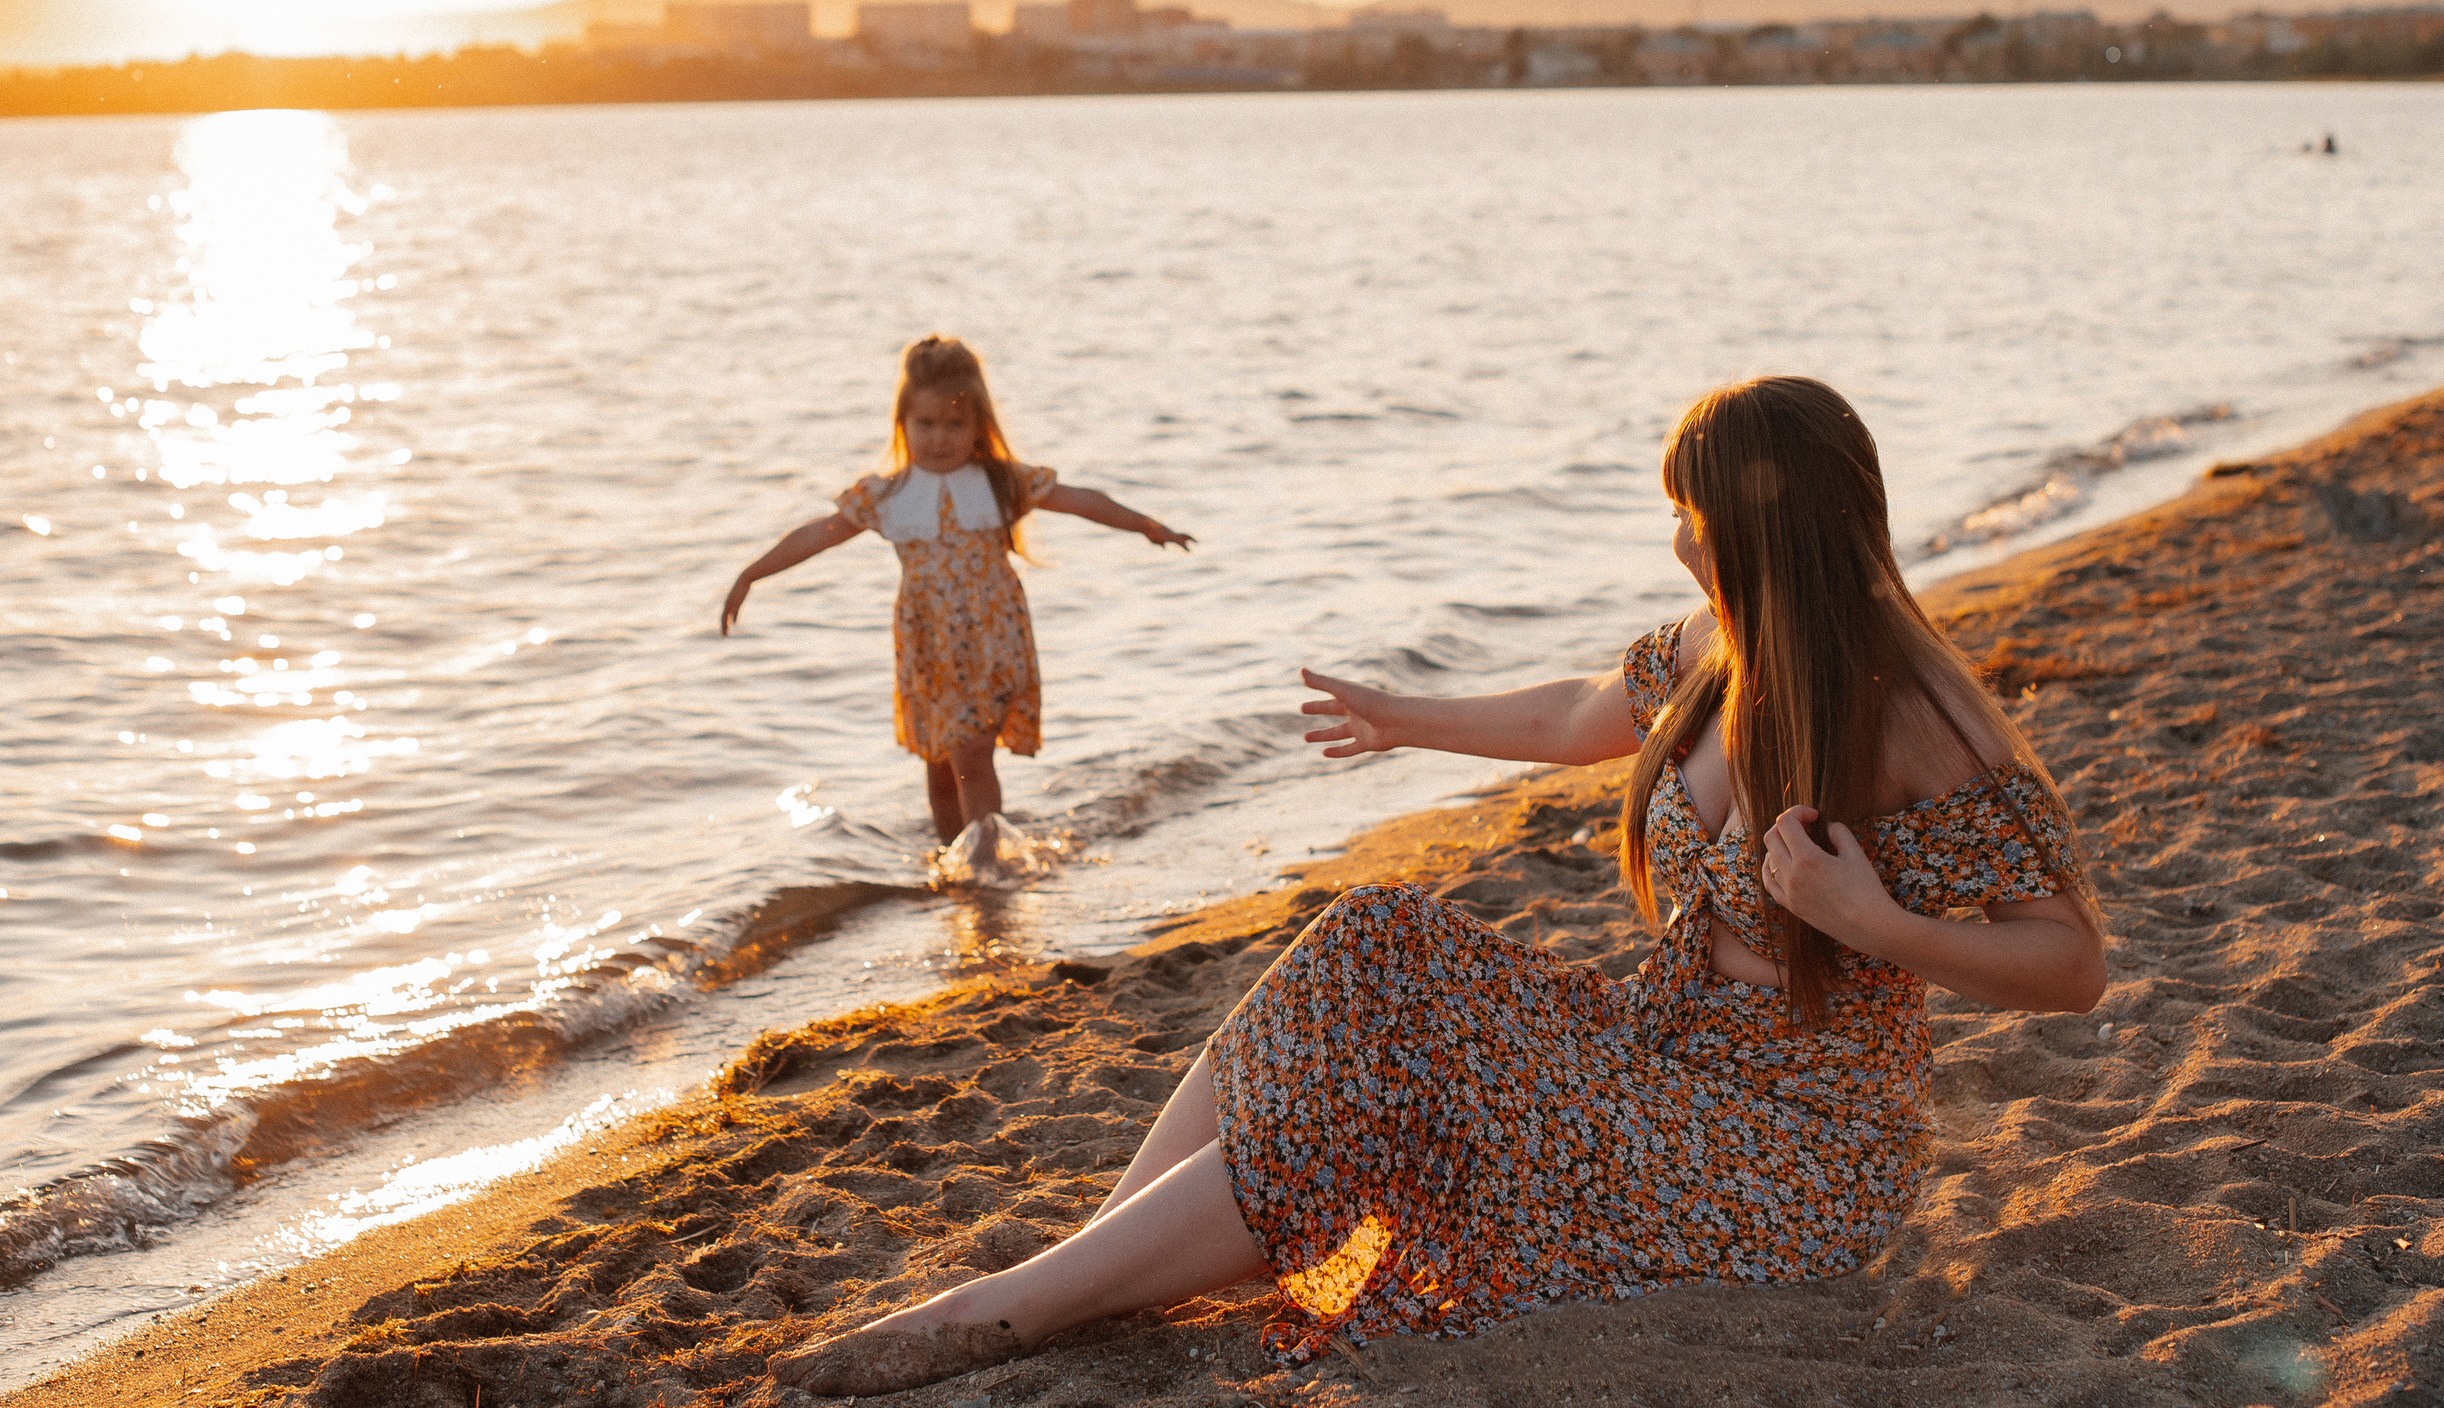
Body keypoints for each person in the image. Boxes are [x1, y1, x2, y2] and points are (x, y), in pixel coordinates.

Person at [769, 375, 2105, 1397]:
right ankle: (1084, 1266)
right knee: (1377, 938)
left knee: (1415, 1079)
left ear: (1772, 526)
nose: (1678, 539)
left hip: (1791, 1160)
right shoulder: (1723, 640)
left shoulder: (1918, 712)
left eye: (1693, 514)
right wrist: (1406, 717)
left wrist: (1876, 924)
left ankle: (1014, 1311)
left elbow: (2070, 963)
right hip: (1657, 1061)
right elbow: (1582, 710)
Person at [720, 335, 1192, 847]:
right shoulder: (888, 495)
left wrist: (1147, 525)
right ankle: (954, 862)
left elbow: (1081, 500)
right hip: (929, 645)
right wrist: (751, 574)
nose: (939, 438)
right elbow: (817, 535)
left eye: (954, 424)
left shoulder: (999, 482)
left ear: (978, 427)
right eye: (925, 424)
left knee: (971, 755)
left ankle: (988, 861)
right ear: (903, 422)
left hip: (990, 639)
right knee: (941, 764)